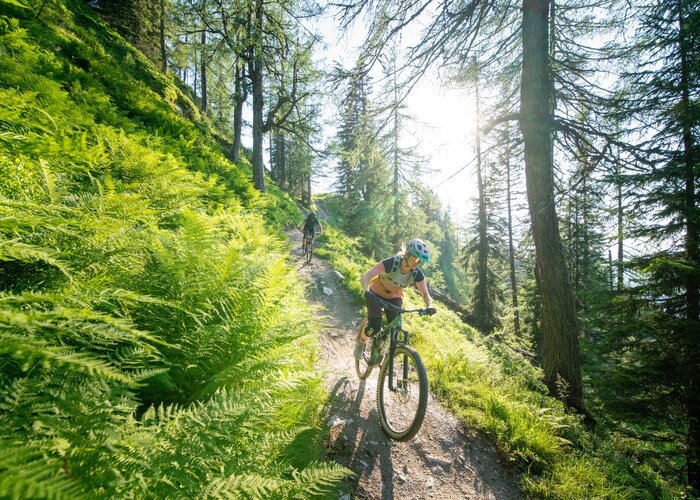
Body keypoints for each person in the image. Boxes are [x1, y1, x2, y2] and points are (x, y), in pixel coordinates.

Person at [354, 239, 436, 360]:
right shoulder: (391, 263)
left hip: (394, 298)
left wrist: (429, 306)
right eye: (416, 259)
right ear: (407, 254)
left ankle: (384, 353)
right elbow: (365, 278)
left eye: (421, 262)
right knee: (375, 326)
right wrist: (367, 292)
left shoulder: (417, 274)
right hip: (375, 295)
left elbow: (425, 294)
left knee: (395, 330)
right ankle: (361, 342)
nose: (417, 263)